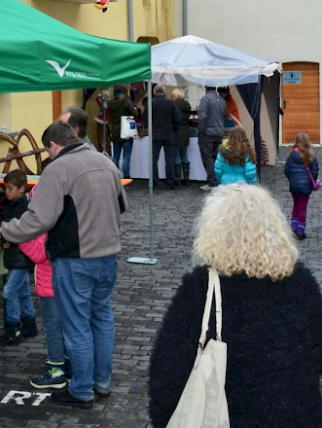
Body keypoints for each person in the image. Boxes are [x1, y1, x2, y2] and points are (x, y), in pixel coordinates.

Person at [149, 184, 322, 428]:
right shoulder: (302, 284)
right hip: (294, 413)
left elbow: (167, 370)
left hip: (224, 415)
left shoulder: (200, 288)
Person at [1, 121, 126, 409]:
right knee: (102, 318)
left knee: (77, 326)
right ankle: (101, 383)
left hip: (75, 259)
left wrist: (8, 230)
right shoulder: (105, 161)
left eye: (49, 150)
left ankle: (81, 391)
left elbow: (39, 219)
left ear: (53, 145)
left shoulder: (58, 168)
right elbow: (122, 206)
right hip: (108, 257)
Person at [19, 184, 69, 390]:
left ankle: (55, 368)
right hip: (66, 284)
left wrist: (21, 238)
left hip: (50, 285)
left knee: (53, 327)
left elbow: (39, 254)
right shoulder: (65, 219)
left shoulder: (43, 226)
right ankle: (69, 363)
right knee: (67, 325)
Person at [0, 169, 36, 346]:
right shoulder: (8, 205)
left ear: (21, 189)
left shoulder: (25, 208)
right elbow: (5, 227)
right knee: (23, 290)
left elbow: (23, 232)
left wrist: (10, 239)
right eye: (6, 188)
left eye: (10, 189)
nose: (6, 192)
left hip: (21, 256)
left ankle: (13, 329)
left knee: (10, 291)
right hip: (14, 255)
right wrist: (4, 240)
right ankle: (29, 323)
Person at [143, 85, 181, 190]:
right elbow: (177, 119)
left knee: (154, 159)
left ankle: (154, 182)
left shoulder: (149, 103)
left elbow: (145, 120)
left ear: (154, 92)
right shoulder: (171, 103)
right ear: (164, 92)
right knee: (169, 159)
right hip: (169, 134)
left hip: (155, 135)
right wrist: (173, 129)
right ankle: (170, 182)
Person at [284, 132, 319, 240]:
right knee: (302, 207)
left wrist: (292, 179)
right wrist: (310, 181)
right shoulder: (310, 155)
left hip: (294, 185)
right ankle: (300, 230)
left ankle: (293, 227)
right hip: (305, 187)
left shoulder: (291, 155)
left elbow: (286, 170)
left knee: (295, 205)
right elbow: (315, 171)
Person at [197, 86, 227, 190]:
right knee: (216, 157)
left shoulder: (205, 99)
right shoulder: (222, 100)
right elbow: (224, 116)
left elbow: (202, 117)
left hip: (208, 133)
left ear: (206, 88)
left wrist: (201, 131)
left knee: (208, 157)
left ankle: (212, 182)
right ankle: (217, 180)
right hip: (219, 132)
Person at [107, 85, 137, 178]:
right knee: (126, 157)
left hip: (115, 131)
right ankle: (126, 176)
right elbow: (135, 114)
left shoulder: (110, 102)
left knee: (116, 156)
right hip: (126, 131)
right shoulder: (126, 101)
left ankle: (114, 176)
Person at [171, 88, 192, 186]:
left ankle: (177, 179)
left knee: (176, 155)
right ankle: (186, 178)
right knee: (184, 154)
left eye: (172, 96)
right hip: (186, 131)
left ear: (175, 96)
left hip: (176, 132)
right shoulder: (187, 105)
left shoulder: (174, 105)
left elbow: (174, 119)